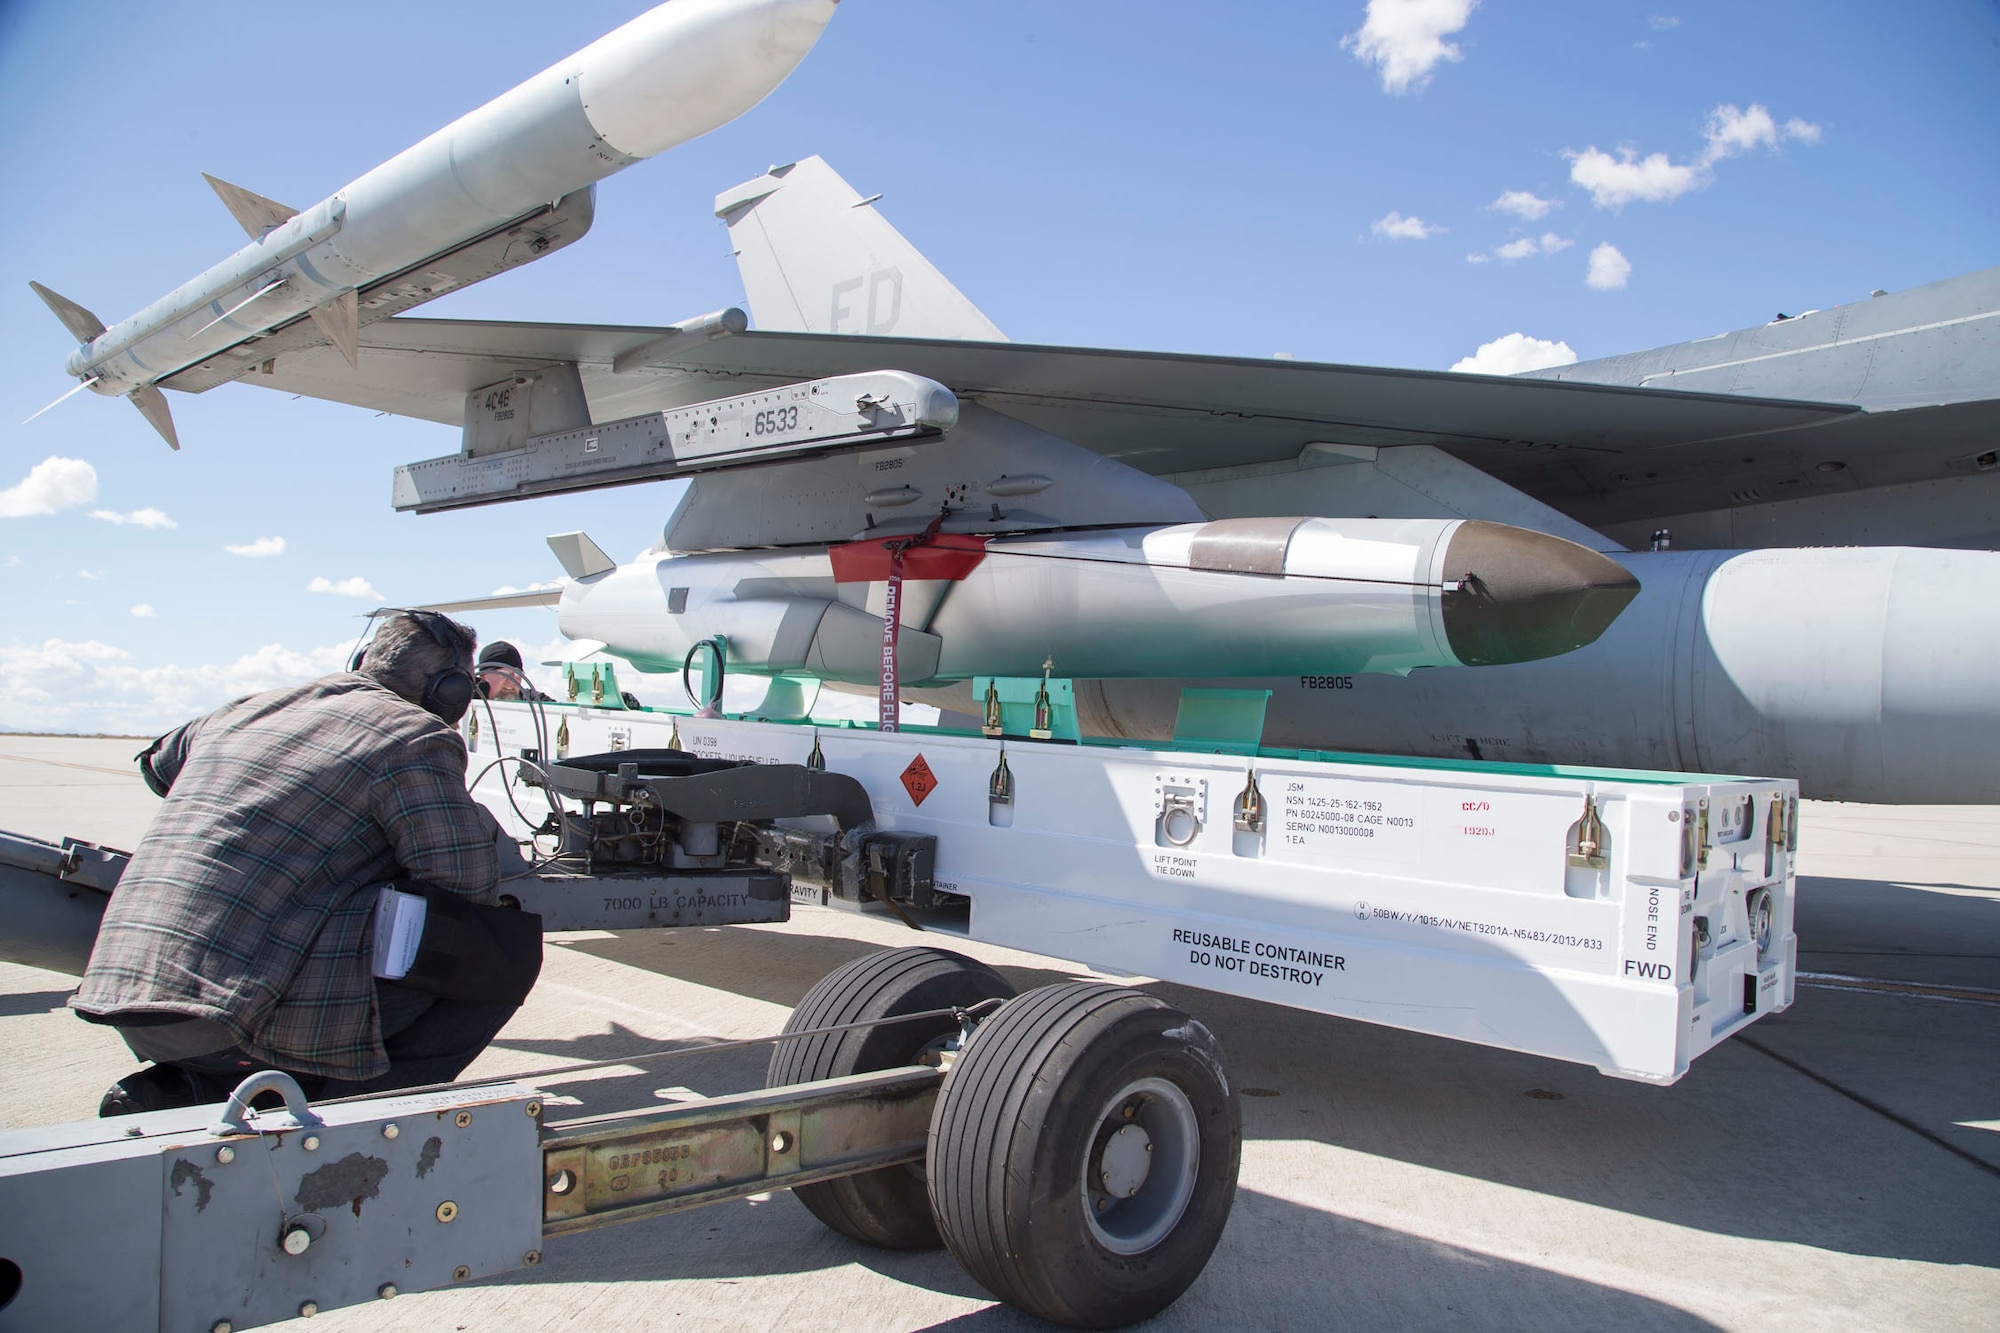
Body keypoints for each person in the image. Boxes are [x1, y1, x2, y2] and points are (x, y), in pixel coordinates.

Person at [75, 610, 533, 1116]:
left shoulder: (252, 708)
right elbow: (462, 882)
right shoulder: (414, 735)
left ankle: (194, 1091)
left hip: (125, 993)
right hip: (228, 1019)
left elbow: (157, 766)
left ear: (363, 662)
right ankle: (340, 1116)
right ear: (451, 691)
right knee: (498, 952)